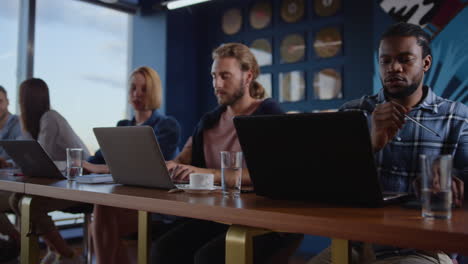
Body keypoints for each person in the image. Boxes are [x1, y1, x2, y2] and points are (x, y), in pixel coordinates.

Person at [308, 22, 467, 264]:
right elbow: (327, 181)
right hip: (355, 243)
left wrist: (451, 180)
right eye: (385, 61)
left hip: (424, 247)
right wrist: (370, 145)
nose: (393, 68)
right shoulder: (353, 112)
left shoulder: (457, 116)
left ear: (426, 63)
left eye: (405, 59)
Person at [151, 43, 303, 264]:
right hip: (218, 216)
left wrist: (207, 174)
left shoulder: (269, 115)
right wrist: (166, 167)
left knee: (208, 258)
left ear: (247, 76)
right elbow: (182, 161)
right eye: (214, 76)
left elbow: (275, 174)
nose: (217, 84)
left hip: (265, 220)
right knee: (163, 250)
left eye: (225, 76)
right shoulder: (208, 122)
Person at [84, 66, 181, 264]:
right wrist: (79, 163)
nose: (137, 94)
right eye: (133, 88)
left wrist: (97, 168)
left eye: (144, 89)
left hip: (159, 205)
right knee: (101, 212)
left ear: (154, 92)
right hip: (127, 202)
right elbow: (98, 159)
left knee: (101, 221)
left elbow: (145, 166)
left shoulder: (167, 126)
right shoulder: (123, 126)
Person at [10, 78, 90, 264]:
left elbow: (41, 156)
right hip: (62, 177)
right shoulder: (34, 122)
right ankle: (55, 250)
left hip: (81, 178)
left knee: (31, 204)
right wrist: (25, 127)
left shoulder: (50, 118)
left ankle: (68, 255)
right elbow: (33, 157)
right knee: (16, 199)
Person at [0, 85, 23, 258]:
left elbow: (25, 158)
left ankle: (16, 238)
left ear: (7, 102)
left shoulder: (18, 124)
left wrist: (5, 163)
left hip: (16, 185)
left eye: (0, 101)